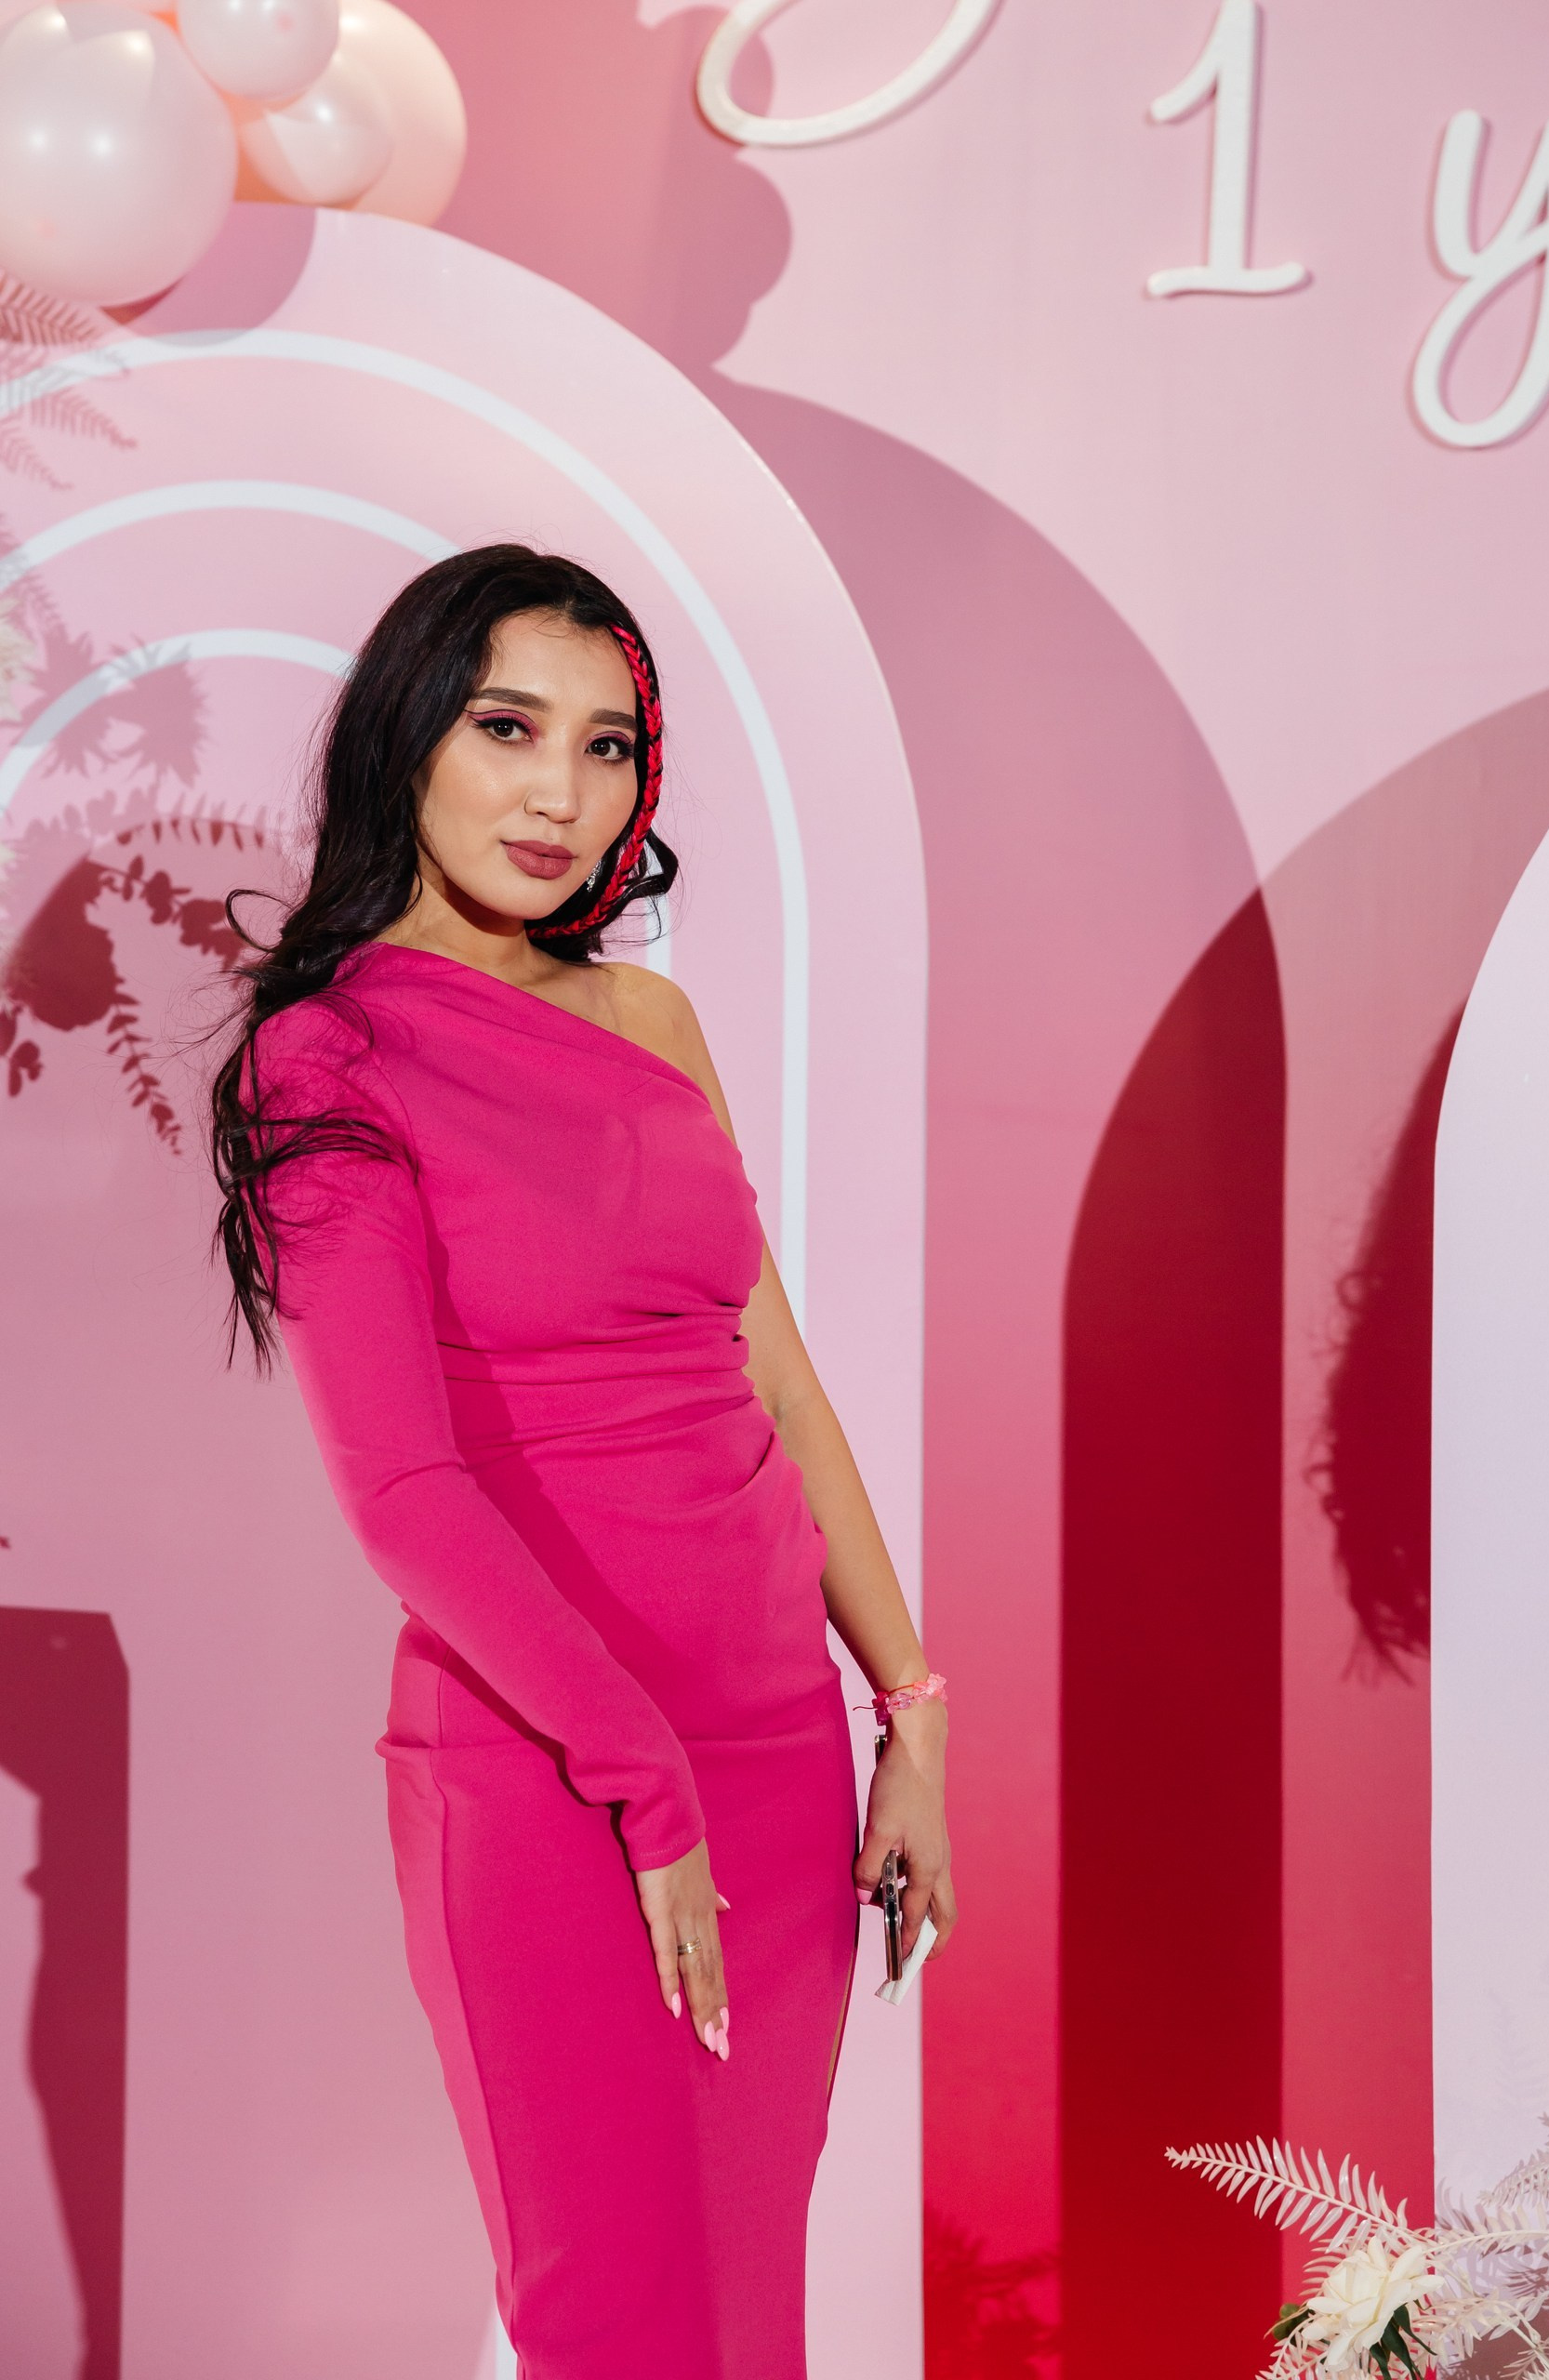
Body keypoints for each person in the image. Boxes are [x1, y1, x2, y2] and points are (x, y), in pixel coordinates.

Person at [208, 545, 956, 2379]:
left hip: (772, 1754)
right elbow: (402, 1494)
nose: (560, 792)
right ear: (406, 741)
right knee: (615, 2326)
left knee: (746, 2324)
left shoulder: (652, 1019)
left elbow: (774, 1379)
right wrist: (642, 1781)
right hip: (550, 1769)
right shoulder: (328, 1056)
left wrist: (911, 1712)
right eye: (507, 728)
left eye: (608, 745)